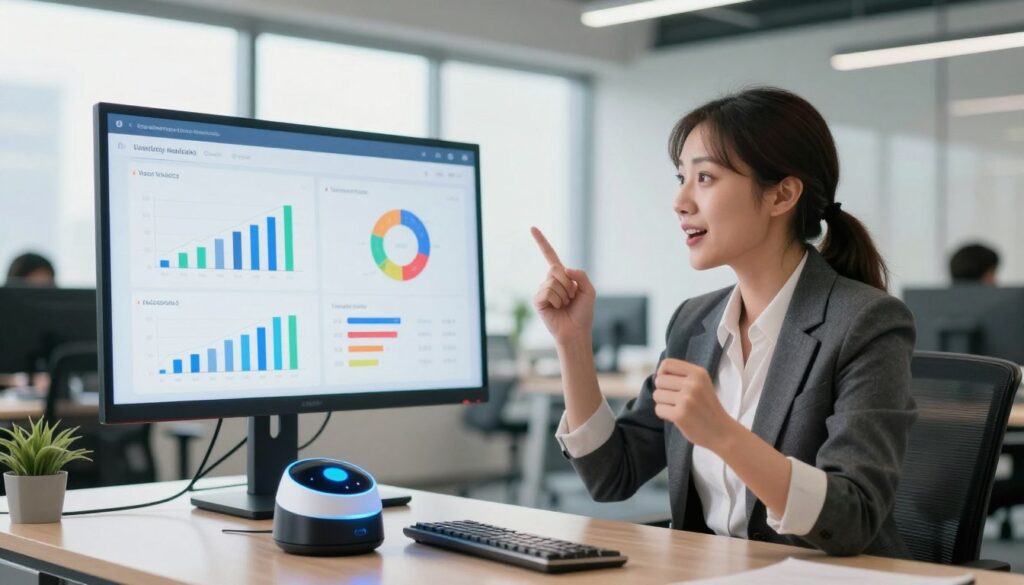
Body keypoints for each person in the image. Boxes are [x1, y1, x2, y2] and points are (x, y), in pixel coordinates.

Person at [530, 87, 916, 558]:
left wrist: (723, 435)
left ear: (782, 195)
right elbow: (613, 475)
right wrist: (572, 343)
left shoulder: (865, 322)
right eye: (681, 178)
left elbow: (852, 518)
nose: (679, 201)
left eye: (705, 178)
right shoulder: (694, 322)